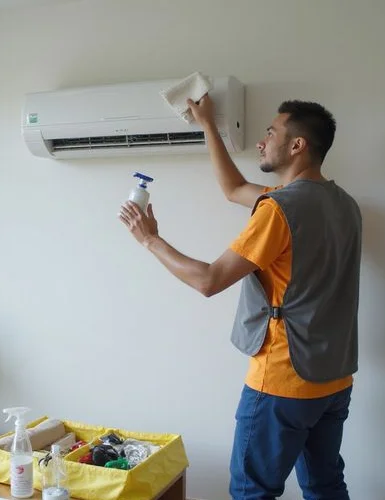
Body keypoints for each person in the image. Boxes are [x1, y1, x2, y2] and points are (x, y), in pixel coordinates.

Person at [118, 95, 361, 500]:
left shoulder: (280, 210)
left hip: (284, 378)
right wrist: (207, 124)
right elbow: (233, 189)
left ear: (297, 145)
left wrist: (150, 240)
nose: (263, 142)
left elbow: (209, 280)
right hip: (334, 379)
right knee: (325, 486)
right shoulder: (345, 205)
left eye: (271, 133)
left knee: (252, 491)